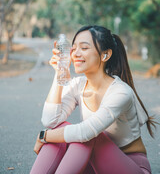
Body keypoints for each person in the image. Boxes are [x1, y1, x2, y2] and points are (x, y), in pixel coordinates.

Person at [30, 25, 156, 174]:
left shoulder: (121, 92)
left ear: (105, 55)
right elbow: (51, 121)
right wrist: (59, 74)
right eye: (74, 48)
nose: (75, 53)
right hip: (94, 165)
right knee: (61, 127)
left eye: (84, 48)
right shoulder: (79, 85)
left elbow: (85, 132)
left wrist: (44, 136)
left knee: (88, 136)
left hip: (130, 166)